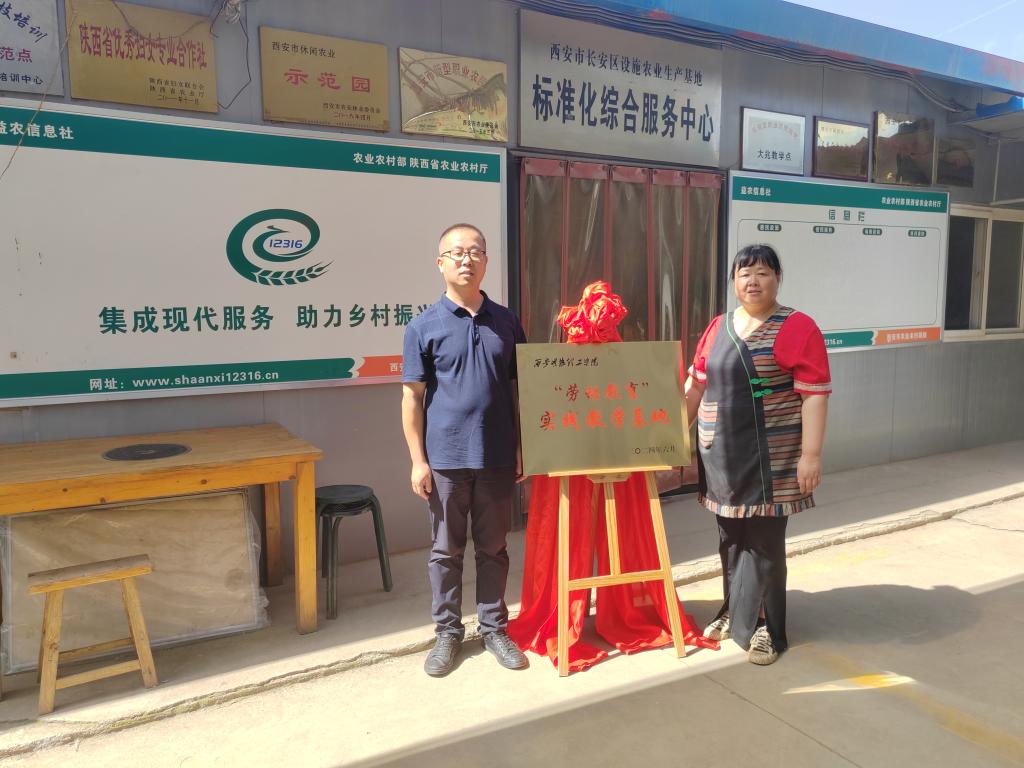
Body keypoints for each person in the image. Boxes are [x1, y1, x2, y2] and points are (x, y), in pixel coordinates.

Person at [507, 281, 718, 672]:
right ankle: (583, 612)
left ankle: (619, 608)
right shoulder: (571, 369)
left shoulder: (628, 368)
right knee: (572, 530)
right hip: (579, 454)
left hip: (619, 453)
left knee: (621, 527)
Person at [684, 244, 831, 666]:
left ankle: (770, 628)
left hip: (772, 457)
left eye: (763, 272)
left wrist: (811, 455)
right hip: (721, 453)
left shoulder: (798, 326)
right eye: (744, 273)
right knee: (730, 539)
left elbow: (815, 395)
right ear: (733, 281)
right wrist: (670, 437)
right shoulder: (718, 326)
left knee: (765, 543)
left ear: (777, 279)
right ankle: (734, 609)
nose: (753, 281)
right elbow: (695, 386)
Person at [401, 223, 529, 677]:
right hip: (445, 460)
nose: (466, 260)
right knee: (445, 551)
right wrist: (418, 461)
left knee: (494, 548)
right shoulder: (423, 326)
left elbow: (521, 390)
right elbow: (411, 398)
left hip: (496, 456)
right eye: (456, 253)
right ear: (441, 263)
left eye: (475, 252)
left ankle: (494, 629)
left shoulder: (507, 322)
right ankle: (448, 632)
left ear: (486, 262)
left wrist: (522, 445)